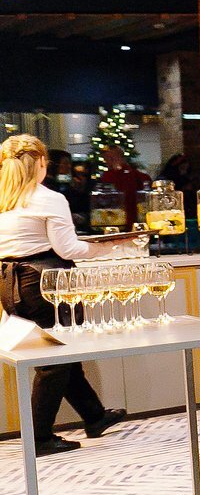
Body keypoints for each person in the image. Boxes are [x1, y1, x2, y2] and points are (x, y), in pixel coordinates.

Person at [0, 135, 127, 454]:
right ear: (41, 163)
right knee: (54, 361)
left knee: (59, 352)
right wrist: (108, 247)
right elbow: (68, 248)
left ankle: (94, 416)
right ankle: (39, 438)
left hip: (9, 282)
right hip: (44, 282)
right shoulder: (48, 198)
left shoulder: (3, 197)